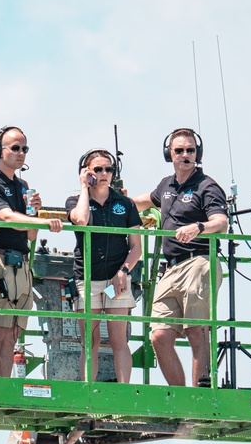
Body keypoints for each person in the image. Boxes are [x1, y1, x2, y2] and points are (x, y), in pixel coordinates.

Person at [131, 128, 228, 387]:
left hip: (199, 263)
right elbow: (140, 202)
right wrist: (106, 199)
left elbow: (221, 222)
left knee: (197, 331)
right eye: (179, 151)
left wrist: (198, 227)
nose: (185, 155)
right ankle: (181, 397)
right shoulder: (166, 185)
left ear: (198, 154)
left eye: (190, 150)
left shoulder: (207, 186)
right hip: (171, 268)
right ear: (169, 154)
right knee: (159, 335)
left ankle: (198, 400)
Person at [0, 125, 63, 377]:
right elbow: (6, 217)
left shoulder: (22, 185)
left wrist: (34, 212)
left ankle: (4, 386)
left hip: (21, 262)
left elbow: (30, 234)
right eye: (15, 148)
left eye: (24, 148)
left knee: (13, 331)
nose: (21, 153)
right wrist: (43, 221)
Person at [65, 149, 142, 383]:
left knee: (119, 340)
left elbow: (136, 247)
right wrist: (83, 188)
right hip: (87, 280)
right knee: (91, 341)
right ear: (87, 172)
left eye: (108, 169)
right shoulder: (75, 201)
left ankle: (125, 393)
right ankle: (88, 393)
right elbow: (80, 219)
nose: (104, 173)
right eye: (98, 169)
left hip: (115, 280)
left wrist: (123, 272)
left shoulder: (125, 204)